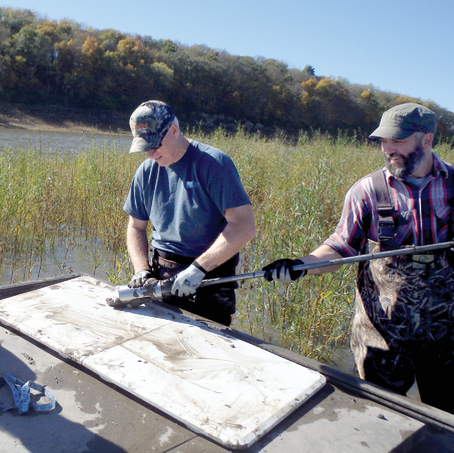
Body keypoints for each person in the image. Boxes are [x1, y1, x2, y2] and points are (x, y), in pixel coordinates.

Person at [262, 103, 454, 413]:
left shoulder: (452, 184)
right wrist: (301, 265)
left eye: (398, 140)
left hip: (446, 338)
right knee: (383, 418)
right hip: (381, 337)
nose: (388, 149)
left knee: (446, 419)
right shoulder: (367, 191)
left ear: (427, 139)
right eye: (383, 140)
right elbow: (339, 247)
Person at [123, 100, 256, 326]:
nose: (150, 154)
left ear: (174, 130)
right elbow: (135, 226)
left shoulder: (214, 163)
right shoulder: (146, 171)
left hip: (209, 278)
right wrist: (141, 271)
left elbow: (243, 226)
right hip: (160, 273)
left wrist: (198, 268)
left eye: (155, 145)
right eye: (145, 147)